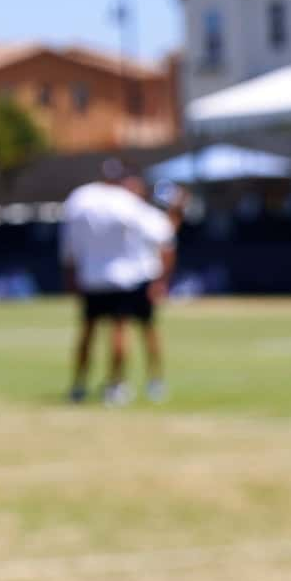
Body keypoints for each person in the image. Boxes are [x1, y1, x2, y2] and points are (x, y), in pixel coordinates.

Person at [58, 168, 181, 404]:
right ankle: (121, 384)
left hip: (93, 278)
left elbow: (69, 247)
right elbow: (164, 234)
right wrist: (176, 212)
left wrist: (71, 275)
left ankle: (79, 385)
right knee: (123, 330)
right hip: (127, 279)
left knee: (88, 332)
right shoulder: (128, 204)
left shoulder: (81, 199)